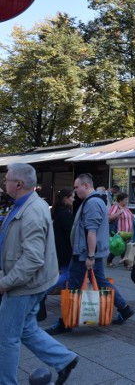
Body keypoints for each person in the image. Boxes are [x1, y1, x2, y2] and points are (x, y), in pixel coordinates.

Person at [0, 163, 79, 384]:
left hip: (24, 285)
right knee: (26, 328)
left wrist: (5, 283)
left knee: (6, 338)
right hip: (31, 282)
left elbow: (33, 258)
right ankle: (64, 359)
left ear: (18, 184)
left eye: (6, 179)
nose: (4, 182)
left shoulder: (32, 210)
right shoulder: (27, 204)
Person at [47, 174, 134, 335]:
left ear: (86, 185)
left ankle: (66, 322)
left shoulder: (92, 203)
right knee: (100, 281)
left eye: (76, 186)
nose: (75, 190)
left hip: (84, 254)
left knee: (74, 285)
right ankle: (124, 308)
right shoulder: (93, 201)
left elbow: (91, 231)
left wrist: (90, 256)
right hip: (88, 253)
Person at [37, 188, 75, 322]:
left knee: (67, 274)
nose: (73, 199)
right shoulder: (65, 214)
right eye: (72, 197)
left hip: (60, 249)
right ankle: (43, 292)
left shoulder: (58, 212)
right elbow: (71, 234)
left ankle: (68, 299)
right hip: (65, 250)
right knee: (67, 274)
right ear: (66, 198)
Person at [106, 192, 134, 268]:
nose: (127, 201)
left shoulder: (126, 208)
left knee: (119, 247)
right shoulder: (116, 207)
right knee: (121, 247)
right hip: (119, 232)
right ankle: (126, 264)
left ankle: (109, 261)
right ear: (120, 200)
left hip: (127, 232)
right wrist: (119, 212)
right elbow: (109, 217)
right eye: (125, 200)